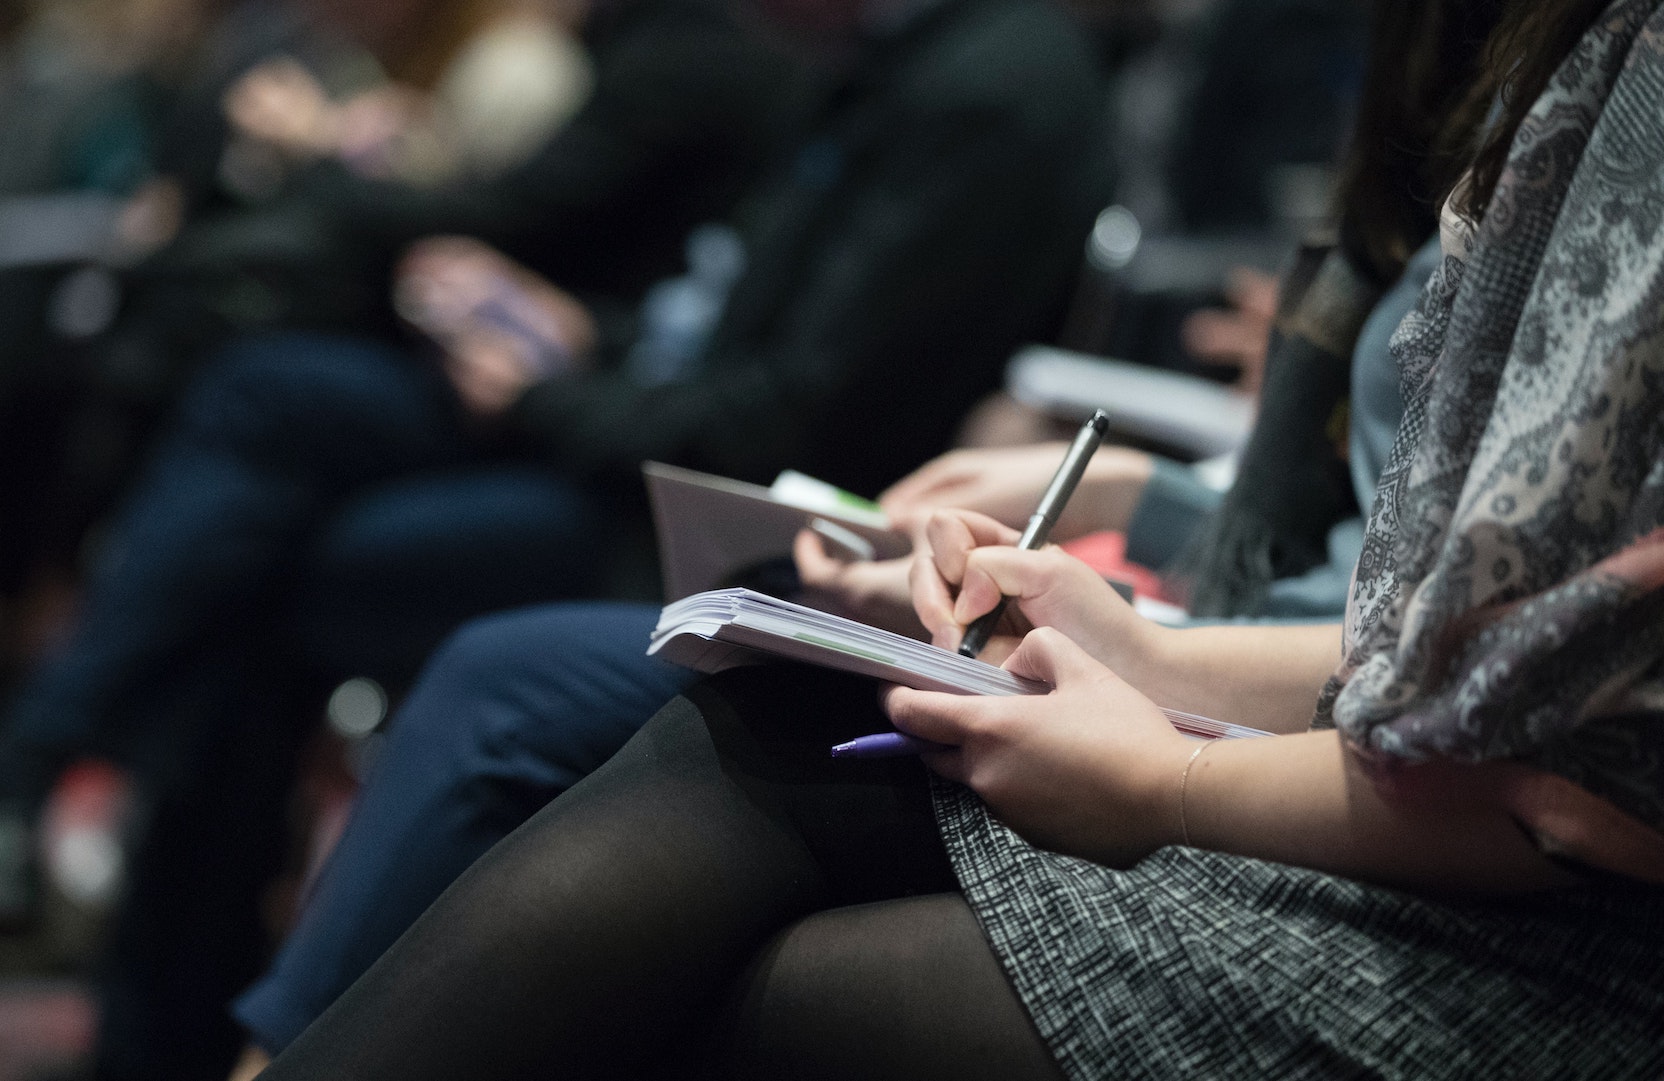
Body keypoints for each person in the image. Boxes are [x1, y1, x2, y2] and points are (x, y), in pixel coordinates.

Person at [250, 0, 1664, 1076]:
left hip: (1548, 940)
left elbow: (1555, 772)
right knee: (744, 709)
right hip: (1352, 740)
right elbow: (1429, 644)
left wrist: (1170, 758)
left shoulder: (998, 77)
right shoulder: (1540, 62)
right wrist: (1124, 623)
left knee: (718, 922)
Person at [0, 0, 1116, 1076]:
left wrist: (553, 382)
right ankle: (76, 891)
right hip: (644, 437)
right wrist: (578, 339)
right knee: (259, 401)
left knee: (273, 563)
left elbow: (784, 412)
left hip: (744, 522)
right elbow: (712, 316)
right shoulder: (874, 50)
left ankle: (135, 958)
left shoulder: (968, 82)